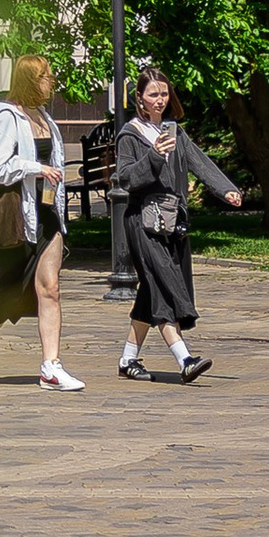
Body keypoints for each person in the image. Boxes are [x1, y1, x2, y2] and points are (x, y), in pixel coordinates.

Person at [111, 63, 240, 381]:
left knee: (150, 291)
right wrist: (154, 155)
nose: (160, 100)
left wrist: (225, 189)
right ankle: (184, 359)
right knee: (163, 288)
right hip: (144, 222)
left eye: (164, 94)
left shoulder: (174, 131)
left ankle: (128, 359)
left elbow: (199, 161)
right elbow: (126, 178)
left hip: (172, 222)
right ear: (139, 98)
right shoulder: (130, 135)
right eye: (153, 94)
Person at [0, 55, 83, 389]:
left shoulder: (44, 117)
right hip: (17, 218)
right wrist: (35, 168)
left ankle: (51, 366)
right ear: (30, 81)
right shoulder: (8, 118)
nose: (51, 82)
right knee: (11, 293)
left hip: (47, 213)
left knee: (51, 287)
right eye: (46, 76)